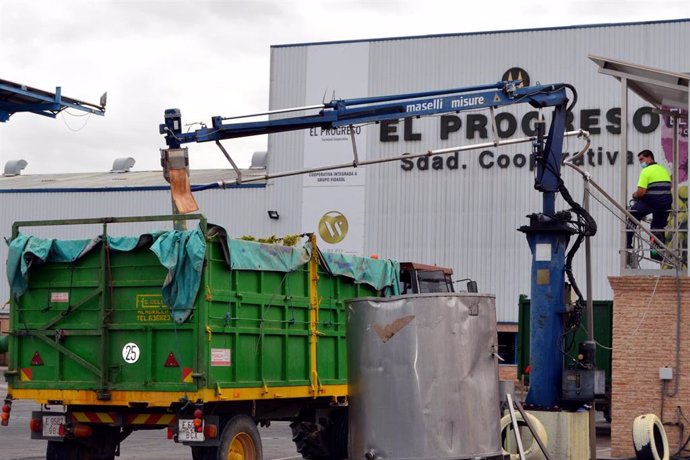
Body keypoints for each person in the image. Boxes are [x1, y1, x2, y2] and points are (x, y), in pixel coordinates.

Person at [626, 149, 673, 262]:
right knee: (657, 227)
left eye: (642, 159)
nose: (641, 162)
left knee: (632, 215)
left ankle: (627, 243)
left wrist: (635, 195)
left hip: (652, 201)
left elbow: (641, 192)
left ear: (649, 158)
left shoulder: (646, 171)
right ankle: (656, 253)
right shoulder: (663, 170)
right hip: (666, 203)